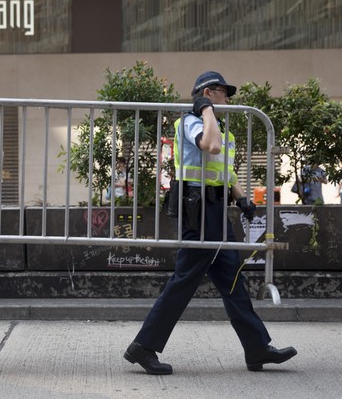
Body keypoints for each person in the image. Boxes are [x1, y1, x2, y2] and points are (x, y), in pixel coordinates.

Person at [124, 71, 297, 375]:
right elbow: (211, 148)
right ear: (206, 93)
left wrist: (241, 198)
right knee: (185, 280)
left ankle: (256, 348)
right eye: (221, 92)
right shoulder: (192, 121)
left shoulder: (220, 128)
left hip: (217, 209)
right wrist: (204, 108)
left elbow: (224, 171)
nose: (227, 99)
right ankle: (143, 346)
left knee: (232, 279)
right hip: (198, 208)